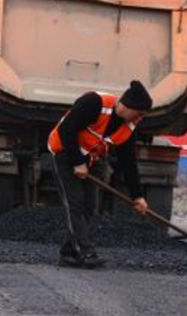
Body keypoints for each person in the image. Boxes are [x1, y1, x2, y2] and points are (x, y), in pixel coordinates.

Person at [47, 81, 151, 268]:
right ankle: (86, 252)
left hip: (92, 160)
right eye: (139, 114)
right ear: (126, 106)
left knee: (89, 206)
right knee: (75, 202)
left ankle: (69, 253)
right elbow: (66, 130)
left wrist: (137, 195)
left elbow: (128, 162)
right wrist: (78, 162)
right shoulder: (94, 103)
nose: (140, 119)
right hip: (65, 152)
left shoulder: (128, 127)